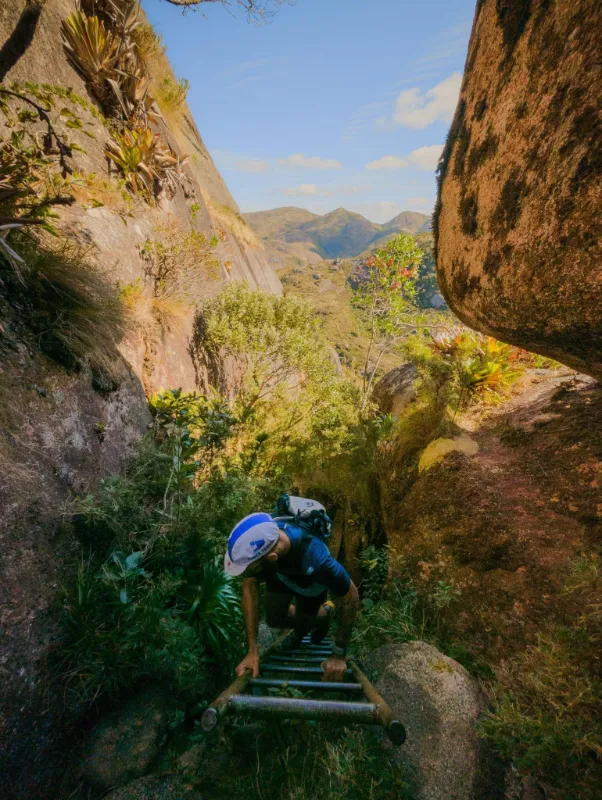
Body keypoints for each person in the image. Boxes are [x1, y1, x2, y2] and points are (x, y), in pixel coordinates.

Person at [224, 511, 359, 682]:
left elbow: (351, 596)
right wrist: (252, 651)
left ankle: (322, 615)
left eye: (250, 569)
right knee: (274, 619)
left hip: (310, 581)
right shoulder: (263, 545)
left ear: (271, 557)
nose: (247, 574)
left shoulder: (316, 557)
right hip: (279, 572)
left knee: (304, 622)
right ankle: (302, 629)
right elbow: (249, 586)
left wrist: (338, 654)